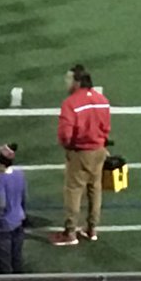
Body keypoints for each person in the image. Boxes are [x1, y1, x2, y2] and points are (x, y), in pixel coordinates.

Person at [51, 65, 111, 246]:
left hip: (80, 152)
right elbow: (106, 127)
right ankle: (92, 228)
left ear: (77, 82)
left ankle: (70, 232)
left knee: (73, 191)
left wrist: (68, 146)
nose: (66, 82)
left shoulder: (71, 103)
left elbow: (65, 133)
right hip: (99, 150)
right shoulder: (102, 100)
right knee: (95, 189)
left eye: (69, 79)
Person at [0, 144, 27, 274]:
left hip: (4, 225)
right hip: (19, 221)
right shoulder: (19, 174)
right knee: (17, 257)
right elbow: (23, 197)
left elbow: (1, 204)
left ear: (1, 163)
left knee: (4, 260)